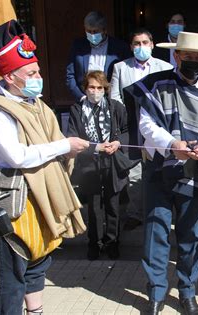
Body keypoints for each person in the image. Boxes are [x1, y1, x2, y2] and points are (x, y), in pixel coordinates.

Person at [123, 32, 198, 315]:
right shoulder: (155, 85)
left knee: (191, 236)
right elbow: (146, 124)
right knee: (156, 233)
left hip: (194, 171)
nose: (195, 62)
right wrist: (172, 145)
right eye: (189, 57)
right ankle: (156, 294)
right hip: (159, 170)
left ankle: (187, 292)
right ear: (177, 56)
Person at [0, 20, 89, 314]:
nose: (38, 77)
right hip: (15, 199)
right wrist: (66, 146)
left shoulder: (37, 104)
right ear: (11, 76)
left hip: (44, 195)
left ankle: (36, 311)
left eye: (37, 71)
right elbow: (17, 156)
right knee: (15, 269)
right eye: (31, 73)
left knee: (40, 260)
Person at [110, 28, 173, 230]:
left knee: (159, 169)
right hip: (131, 128)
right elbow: (114, 98)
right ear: (131, 47)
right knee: (135, 173)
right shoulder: (120, 68)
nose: (141, 47)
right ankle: (136, 213)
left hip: (157, 128)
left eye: (145, 43)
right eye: (137, 43)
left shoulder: (165, 66)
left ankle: (160, 211)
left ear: (152, 44)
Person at [68, 70, 132, 260]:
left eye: (99, 88)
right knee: (94, 207)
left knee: (113, 205)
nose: (95, 91)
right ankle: (94, 243)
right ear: (85, 89)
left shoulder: (116, 107)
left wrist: (118, 142)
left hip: (113, 163)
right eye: (91, 87)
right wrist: (96, 148)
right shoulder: (76, 109)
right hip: (89, 164)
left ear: (105, 89)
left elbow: (128, 130)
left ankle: (112, 242)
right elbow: (72, 137)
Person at [66, 11, 130, 102]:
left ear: (104, 30)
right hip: (84, 100)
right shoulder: (78, 46)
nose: (92, 34)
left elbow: (125, 76)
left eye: (95, 31)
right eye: (88, 31)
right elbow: (70, 76)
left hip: (111, 101)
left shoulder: (119, 48)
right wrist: (81, 97)